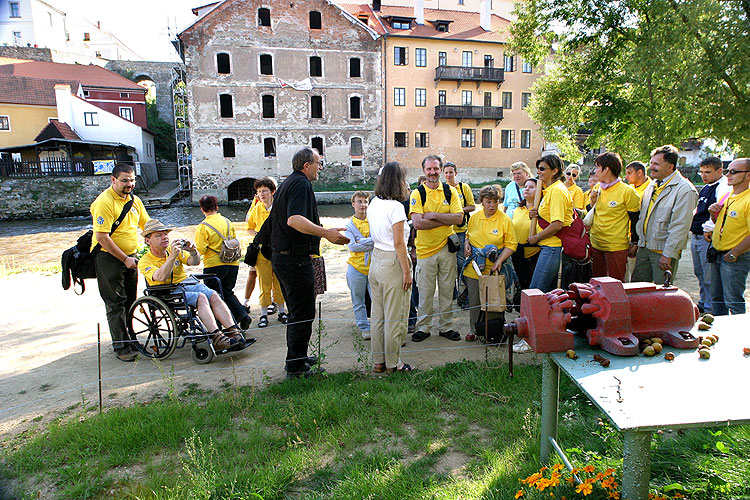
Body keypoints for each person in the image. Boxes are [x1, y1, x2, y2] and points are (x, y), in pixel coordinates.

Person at [269, 147, 349, 379]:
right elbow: (294, 220)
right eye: (318, 163)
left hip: (283, 258)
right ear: (306, 165)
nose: (320, 168)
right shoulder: (301, 184)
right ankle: (295, 367)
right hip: (293, 260)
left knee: (298, 312)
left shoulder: (289, 182)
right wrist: (326, 233)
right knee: (302, 313)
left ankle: (298, 357)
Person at [138, 219, 253, 351]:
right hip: (166, 291)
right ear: (148, 241)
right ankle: (217, 337)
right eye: (158, 235)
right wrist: (172, 258)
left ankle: (233, 331)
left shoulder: (172, 251)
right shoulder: (145, 261)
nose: (164, 237)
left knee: (213, 295)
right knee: (200, 297)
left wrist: (193, 251)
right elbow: (161, 277)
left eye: (165, 234)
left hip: (186, 283)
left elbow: (194, 262)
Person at [90, 163, 150, 362]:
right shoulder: (104, 202)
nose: (129, 184)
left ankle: (132, 340)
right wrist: (124, 259)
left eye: (132, 180)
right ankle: (121, 347)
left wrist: (161, 239)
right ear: (113, 180)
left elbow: (147, 225)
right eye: (125, 180)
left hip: (130, 257)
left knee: (130, 301)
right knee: (115, 303)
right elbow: (102, 237)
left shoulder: (134, 200)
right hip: (109, 259)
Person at [409, 155, 463, 342]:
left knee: (448, 291)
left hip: (447, 249)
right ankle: (423, 328)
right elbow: (417, 224)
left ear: (440, 170)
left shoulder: (450, 191)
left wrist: (431, 215)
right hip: (425, 251)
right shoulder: (417, 194)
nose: (432, 172)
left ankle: (446, 327)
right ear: (424, 171)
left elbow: (459, 219)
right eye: (429, 169)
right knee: (425, 292)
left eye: (436, 169)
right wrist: (443, 219)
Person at [367, 162, 413, 373]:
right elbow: (399, 243)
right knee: (395, 315)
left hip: (376, 259)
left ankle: (378, 361)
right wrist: (406, 271)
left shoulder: (374, 202)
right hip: (392, 260)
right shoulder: (396, 207)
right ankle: (394, 363)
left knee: (378, 316)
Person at [632, 145, 698, 283]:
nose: (651, 167)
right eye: (651, 163)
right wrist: (638, 243)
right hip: (644, 249)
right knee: (637, 291)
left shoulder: (685, 190)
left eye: (656, 164)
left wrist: (668, 254)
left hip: (662, 253)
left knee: (660, 296)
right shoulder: (652, 185)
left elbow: (680, 226)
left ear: (670, 167)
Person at [463, 185, 517, 342]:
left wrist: (499, 261)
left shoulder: (505, 219)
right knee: (474, 300)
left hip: (495, 268)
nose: (492, 205)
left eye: (495, 201)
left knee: (494, 300)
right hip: (474, 267)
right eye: (488, 202)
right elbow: (469, 234)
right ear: (482, 202)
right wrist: (467, 243)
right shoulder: (474, 217)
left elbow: (511, 244)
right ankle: (474, 329)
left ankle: (494, 329)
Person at [195, 195, 253, 330]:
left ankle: (220, 325)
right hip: (232, 263)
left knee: (214, 296)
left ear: (202, 209)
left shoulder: (203, 227)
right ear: (216, 207)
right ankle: (242, 316)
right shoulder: (227, 221)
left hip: (214, 265)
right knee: (227, 292)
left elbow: (201, 249)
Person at [587, 152, 641, 281]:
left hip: (616, 247)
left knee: (615, 285)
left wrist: (635, 242)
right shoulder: (597, 187)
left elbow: (635, 219)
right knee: (597, 283)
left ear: (607, 169)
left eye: (597, 167)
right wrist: (592, 202)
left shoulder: (627, 191)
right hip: (596, 243)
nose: (595, 171)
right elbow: (591, 212)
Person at [708, 158, 750, 315]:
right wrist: (714, 215)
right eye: (727, 171)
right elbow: (722, 224)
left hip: (734, 257)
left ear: (748, 175)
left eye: (734, 172)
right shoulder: (728, 195)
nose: (728, 175)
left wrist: (734, 253)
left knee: (733, 301)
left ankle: (740, 337)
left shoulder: (747, 200)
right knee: (717, 298)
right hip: (719, 253)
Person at [528, 154, 574, 292]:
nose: (538, 172)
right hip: (549, 247)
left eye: (542, 169)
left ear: (554, 171)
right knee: (552, 293)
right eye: (538, 169)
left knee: (536, 291)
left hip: (553, 248)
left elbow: (557, 224)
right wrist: (537, 215)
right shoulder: (550, 190)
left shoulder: (557, 191)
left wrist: (537, 237)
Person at [689, 157, 730, 313]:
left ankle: (711, 307)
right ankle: (704, 302)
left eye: (707, 172)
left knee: (709, 276)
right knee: (700, 273)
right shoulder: (707, 187)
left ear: (719, 171)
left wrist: (709, 228)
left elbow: (719, 209)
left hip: (707, 237)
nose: (703, 175)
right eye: (701, 172)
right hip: (697, 235)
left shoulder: (723, 186)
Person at [246, 177, 287, 327]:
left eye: (264, 191)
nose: (261, 194)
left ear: (272, 192)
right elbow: (249, 228)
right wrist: (258, 235)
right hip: (262, 251)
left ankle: (282, 311)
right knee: (264, 282)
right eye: (259, 192)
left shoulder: (280, 207)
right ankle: (263, 314)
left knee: (279, 281)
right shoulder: (256, 209)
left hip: (277, 249)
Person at [442, 161, 476, 304]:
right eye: (446, 172)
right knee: (448, 265)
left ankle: (465, 295)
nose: (449, 175)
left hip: (461, 231)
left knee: (462, 263)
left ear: (455, 173)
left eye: (451, 172)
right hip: (446, 232)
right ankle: (453, 294)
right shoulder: (441, 189)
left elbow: (472, 206)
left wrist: (458, 212)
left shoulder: (463, 187)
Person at [343, 191, 374, 340]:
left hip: (374, 267)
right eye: (359, 202)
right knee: (358, 298)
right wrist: (369, 242)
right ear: (353, 204)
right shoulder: (349, 225)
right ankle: (364, 327)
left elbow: (379, 240)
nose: (363, 205)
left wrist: (360, 241)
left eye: (365, 202)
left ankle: (378, 325)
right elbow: (353, 247)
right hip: (356, 267)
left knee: (377, 299)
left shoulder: (374, 221)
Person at [511, 178, 541, 292]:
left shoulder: (541, 210)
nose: (527, 189)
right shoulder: (518, 209)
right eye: (526, 186)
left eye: (531, 187)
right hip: (518, 253)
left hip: (534, 254)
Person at [407, 175, 427, 334]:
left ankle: (412, 319)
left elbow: (416, 226)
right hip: (400, 249)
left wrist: (413, 248)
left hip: (414, 248)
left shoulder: (410, 202)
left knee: (414, 284)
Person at [243, 193, 261, 313]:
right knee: (252, 273)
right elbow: (248, 222)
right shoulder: (256, 204)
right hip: (256, 246)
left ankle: (273, 301)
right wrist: (258, 236)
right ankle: (245, 301)